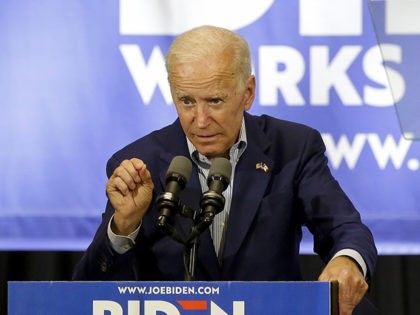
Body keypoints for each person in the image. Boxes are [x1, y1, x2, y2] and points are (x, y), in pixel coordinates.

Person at [73, 25, 377, 314]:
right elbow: (87, 291)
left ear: (248, 92)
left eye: (215, 101)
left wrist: (347, 262)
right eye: (186, 101)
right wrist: (125, 226)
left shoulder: (292, 147)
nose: (200, 120)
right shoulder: (140, 163)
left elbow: (344, 227)